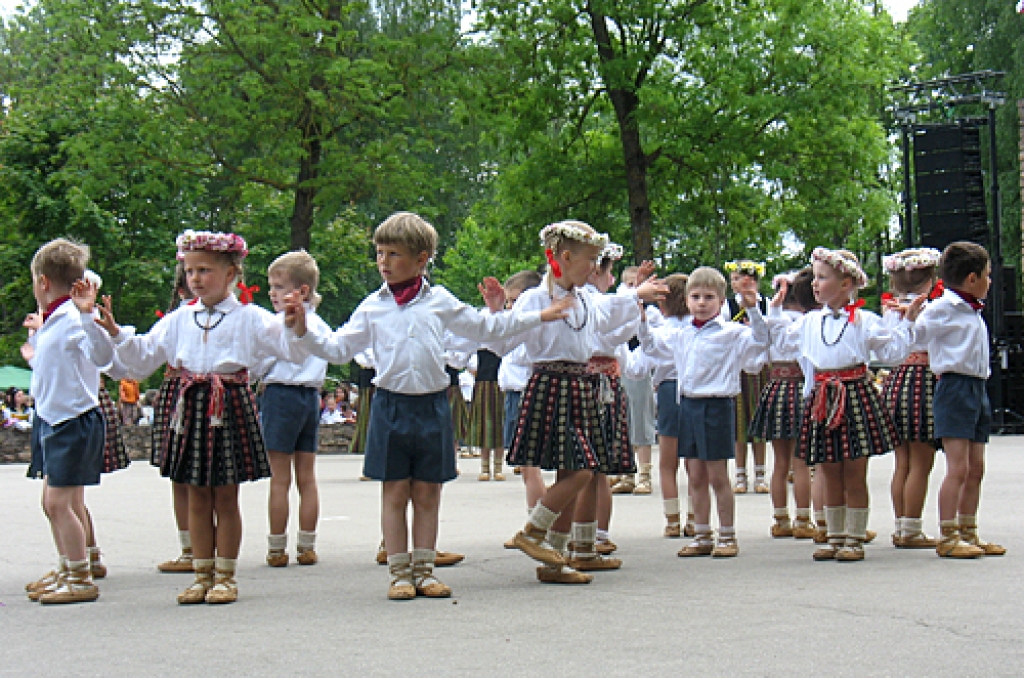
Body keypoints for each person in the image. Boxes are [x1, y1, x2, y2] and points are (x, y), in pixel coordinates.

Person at [288, 211, 570, 600]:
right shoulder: (373, 306)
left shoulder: (439, 301)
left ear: (421, 259)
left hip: (433, 406)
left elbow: (486, 328)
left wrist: (539, 315)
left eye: (393, 254)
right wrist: (303, 329)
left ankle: (424, 569)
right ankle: (399, 572)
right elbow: (339, 348)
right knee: (394, 492)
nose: (383, 262)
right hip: (390, 407)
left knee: (427, 493)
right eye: (380, 253)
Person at [88, 229, 305, 604]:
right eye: (190, 271)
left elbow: (291, 348)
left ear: (232, 274)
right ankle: (201, 572)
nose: (195, 279)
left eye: (205, 270)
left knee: (225, 496)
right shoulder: (178, 319)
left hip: (227, 404)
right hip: (189, 406)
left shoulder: (251, 318)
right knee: (196, 496)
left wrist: (293, 321)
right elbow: (141, 358)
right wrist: (115, 333)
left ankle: (226, 576)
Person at [498, 220, 665, 584]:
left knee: (573, 468)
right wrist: (500, 316)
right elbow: (503, 342)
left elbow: (610, 311)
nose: (594, 267)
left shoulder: (587, 297)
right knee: (583, 470)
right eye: (590, 259)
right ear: (566, 256)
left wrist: (638, 294)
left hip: (580, 384)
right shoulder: (536, 298)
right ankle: (532, 531)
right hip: (551, 383)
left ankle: (553, 560)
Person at [769, 248, 922, 562]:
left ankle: (854, 537)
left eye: (822, 278)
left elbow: (892, 353)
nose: (815, 284)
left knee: (854, 470)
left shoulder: (864, 321)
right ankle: (834, 534)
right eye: (815, 277)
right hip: (824, 397)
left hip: (854, 394)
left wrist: (906, 323)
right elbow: (781, 343)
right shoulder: (811, 321)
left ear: (846, 284)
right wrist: (768, 313)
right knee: (828, 467)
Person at [640, 267, 768, 558]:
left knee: (717, 475)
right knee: (694, 473)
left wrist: (754, 309)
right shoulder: (681, 333)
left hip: (717, 405)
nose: (701, 302)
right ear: (686, 300)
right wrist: (641, 321)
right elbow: (651, 347)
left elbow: (760, 343)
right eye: (695, 296)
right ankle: (702, 534)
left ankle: (727, 534)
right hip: (688, 404)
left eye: (709, 297)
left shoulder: (731, 333)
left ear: (722, 301)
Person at [21, 238, 115, 604]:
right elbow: (49, 367)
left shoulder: (75, 319)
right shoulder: (56, 320)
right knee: (63, 501)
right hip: (55, 417)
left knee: (58, 503)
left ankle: (80, 576)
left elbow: (103, 355)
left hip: (72, 420)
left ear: (43, 282)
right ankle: (69, 566)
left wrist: (91, 317)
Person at [912, 241, 1005, 558]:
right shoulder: (942, 308)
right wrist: (910, 317)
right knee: (958, 467)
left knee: (976, 466)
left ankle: (969, 529)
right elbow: (916, 335)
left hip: (977, 387)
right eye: (987, 275)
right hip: (954, 388)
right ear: (972, 278)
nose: (990, 282)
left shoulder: (971, 308)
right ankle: (948, 534)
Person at [257, 250, 330, 568]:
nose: (272, 293)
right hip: (310, 398)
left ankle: (276, 546)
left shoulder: (277, 324)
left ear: (300, 291)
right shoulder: (322, 325)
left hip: (280, 396)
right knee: (307, 477)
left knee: (279, 478)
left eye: (277, 286)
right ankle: (307, 544)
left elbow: (259, 363)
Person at [879, 248, 943, 548]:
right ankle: (912, 529)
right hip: (922, 379)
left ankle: (901, 525)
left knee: (902, 461)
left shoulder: (890, 310)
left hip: (897, 379)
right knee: (921, 461)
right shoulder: (929, 309)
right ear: (930, 279)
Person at [749, 269, 817, 539]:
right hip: (801, 387)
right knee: (801, 463)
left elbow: (757, 360)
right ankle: (803, 519)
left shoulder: (771, 321)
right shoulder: (809, 322)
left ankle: (780, 519)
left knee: (780, 462)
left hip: (776, 386)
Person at [624, 273, 690, 536]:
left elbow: (637, 369)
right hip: (696, 392)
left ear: (661, 305)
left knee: (667, 462)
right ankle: (696, 517)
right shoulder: (699, 330)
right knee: (695, 460)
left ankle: (672, 519)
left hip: (667, 390)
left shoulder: (662, 332)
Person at [722, 260, 770, 494]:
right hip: (737, 369)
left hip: (761, 370)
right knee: (739, 424)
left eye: (744, 279)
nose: (739, 284)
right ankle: (740, 475)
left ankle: (760, 474)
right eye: (735, 280)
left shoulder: (767, 305)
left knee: (758, 423)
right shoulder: (726, 307)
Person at [614, 264, 659, 497]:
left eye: (638, 285)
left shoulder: (652, 313)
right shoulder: (619, 306)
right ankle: (626, 473)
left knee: (641, 420)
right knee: (622, 421)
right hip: (620, 367)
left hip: (640, 368)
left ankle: (645, 474)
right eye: (630, 285)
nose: (635, 289)